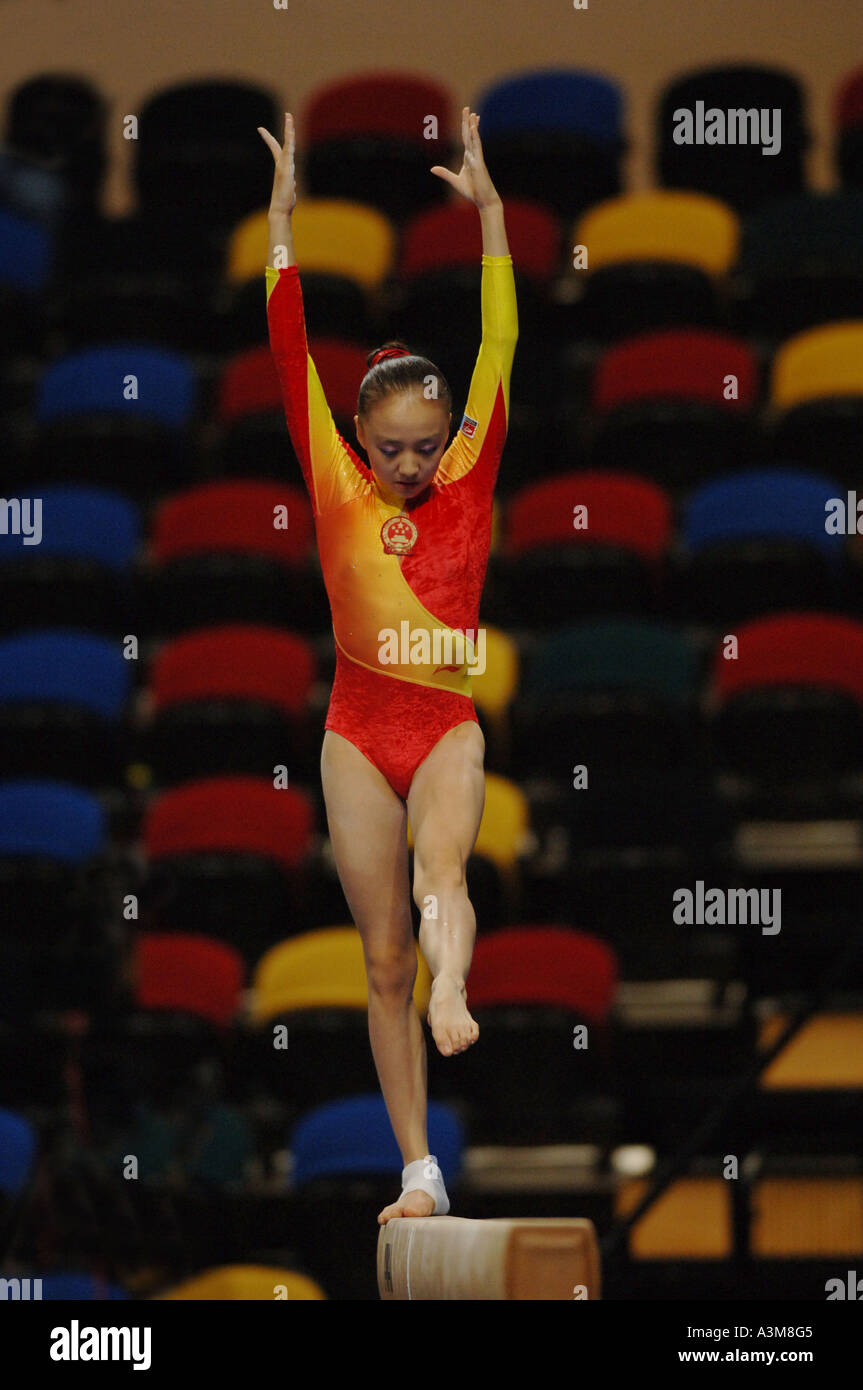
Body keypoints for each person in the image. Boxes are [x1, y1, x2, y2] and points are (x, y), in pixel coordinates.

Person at [258, 106, 517, 1222]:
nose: (411, 466)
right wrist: (279, 228)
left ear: (452, 428)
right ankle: (419, 1169)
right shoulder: (333, 478)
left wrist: (494, 217)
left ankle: (455, 981)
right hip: (357, 734)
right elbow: (285, 349)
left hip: (442, 720)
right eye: (390, 450)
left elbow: (500, 342)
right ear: (360, 440)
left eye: (426, 444)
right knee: (377, 962)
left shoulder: (469, 467)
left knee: (441, 882)